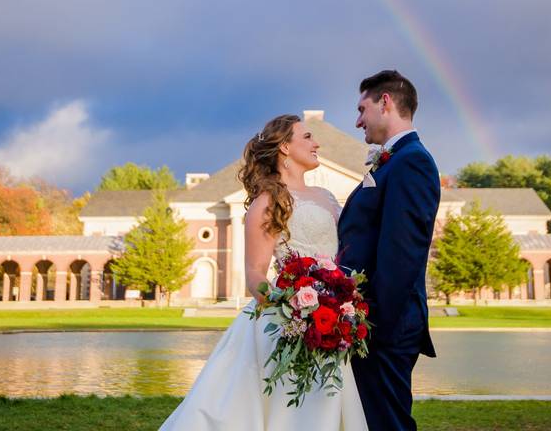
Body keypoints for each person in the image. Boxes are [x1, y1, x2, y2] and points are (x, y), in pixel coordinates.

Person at [159, 113, 368, 430]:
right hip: (287, 325)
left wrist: (338, 307)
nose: (317, 143)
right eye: (308, 137)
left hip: (331, 323)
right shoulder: (268, 202)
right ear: (285, 147)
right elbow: (255, 274)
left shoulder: (326, 197)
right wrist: (297, 309)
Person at [337, 69, 441, 431]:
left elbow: (402, 254)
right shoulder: (394, 160)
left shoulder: (411, 162)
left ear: (385, 102)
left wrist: (371, 325)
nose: (357, 120)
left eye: (362, 109)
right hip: (374, 324)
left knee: (387, 423)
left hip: (385, 327)